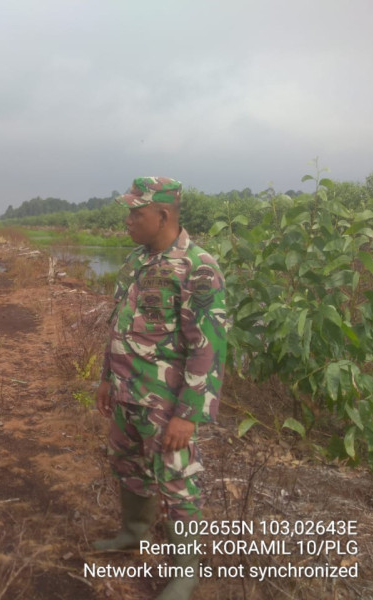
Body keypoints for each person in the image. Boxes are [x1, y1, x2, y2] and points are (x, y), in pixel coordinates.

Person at [94, 177, 227, 599]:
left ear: (163, 216)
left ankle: (185, 571)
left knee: (176, 482)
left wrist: (187, 414)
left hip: (165, 403)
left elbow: (207, 347)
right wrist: (104, 378)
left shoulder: (198, 267)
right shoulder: (136, 260)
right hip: (126, 393)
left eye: (137, 212)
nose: (129, 220)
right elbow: (120, 323)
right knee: (129, 467)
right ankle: (133, 533)